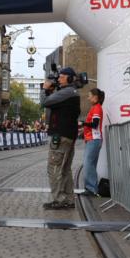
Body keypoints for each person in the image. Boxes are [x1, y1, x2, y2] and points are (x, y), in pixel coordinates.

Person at [41, 67, 82, 210]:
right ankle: (69, 199)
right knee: (65, 169)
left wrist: (45, 89)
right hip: (69, 135)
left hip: (60, 135)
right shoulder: (73, 93)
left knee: (53, 168)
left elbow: (45, 102)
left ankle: (59, 199)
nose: (58, 79)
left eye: (62, 77)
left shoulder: (66, 92)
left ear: (70, 79)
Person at [76, 88, 105, 196]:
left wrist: (82, 123)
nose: (88, 98)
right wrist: (83, 129)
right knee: (90, 164)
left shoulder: (96, 108)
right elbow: (94, 126)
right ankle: (91, 188)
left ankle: (91, 189)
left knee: (88, 164)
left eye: (89, 96)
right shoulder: (95, 108)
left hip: (94, 139)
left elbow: (95, 124)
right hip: (93, 139)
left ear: (95, 97)